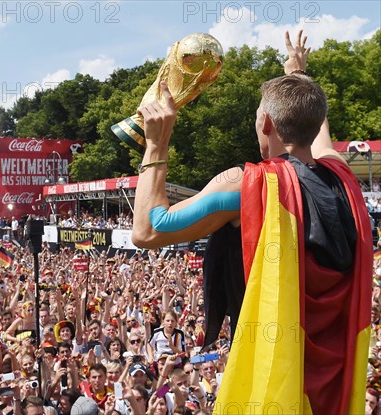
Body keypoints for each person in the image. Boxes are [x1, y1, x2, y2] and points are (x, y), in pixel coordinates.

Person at [132, 30, 372, 414]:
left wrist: (156, 145)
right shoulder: (343, 176)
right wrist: (298, 76)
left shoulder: (246, 186)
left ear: (266, 126)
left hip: (278, 381)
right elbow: (318, 133)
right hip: (336, 389)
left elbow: (147, 230)